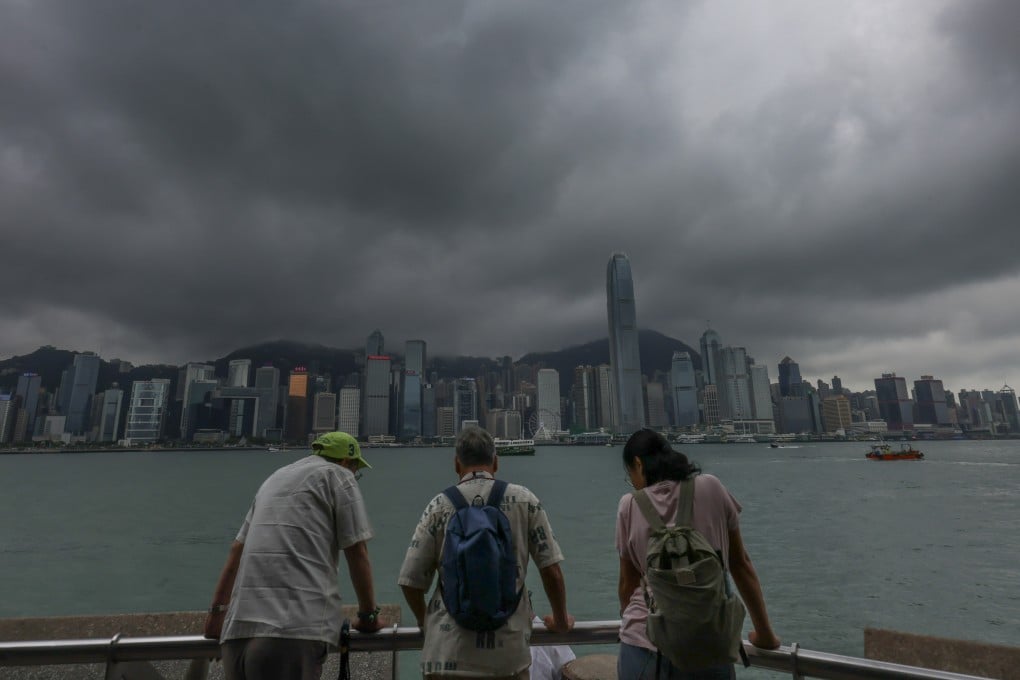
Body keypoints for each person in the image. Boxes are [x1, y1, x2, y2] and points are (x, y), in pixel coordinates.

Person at [204, 431, 386, 680]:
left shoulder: (276, 478)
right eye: (357, 470)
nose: (355, 476)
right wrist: (368, 616)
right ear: (346, 462)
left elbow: (237, 549)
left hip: (237, 634)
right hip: (292, 631)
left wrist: (216, 616)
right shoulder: (339, 476)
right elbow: (357, 551)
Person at [398, 425, 575, 679]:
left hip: (447, 655)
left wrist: (423, 621)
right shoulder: (524, 500)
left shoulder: (438, 506)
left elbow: (410, 581)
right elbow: (552, 571)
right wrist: (559, 620)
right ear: (496, 461)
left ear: (456, 464)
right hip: (507, 659)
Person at [616, 429, 781, 680]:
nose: (633, 483)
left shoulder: (629, 504)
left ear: (638, 464)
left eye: (630, 475)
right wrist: (765, 634)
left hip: (644, 643)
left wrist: (631, 624)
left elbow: (627, 584)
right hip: (709, 641)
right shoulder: (711, 487)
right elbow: (740, 565)